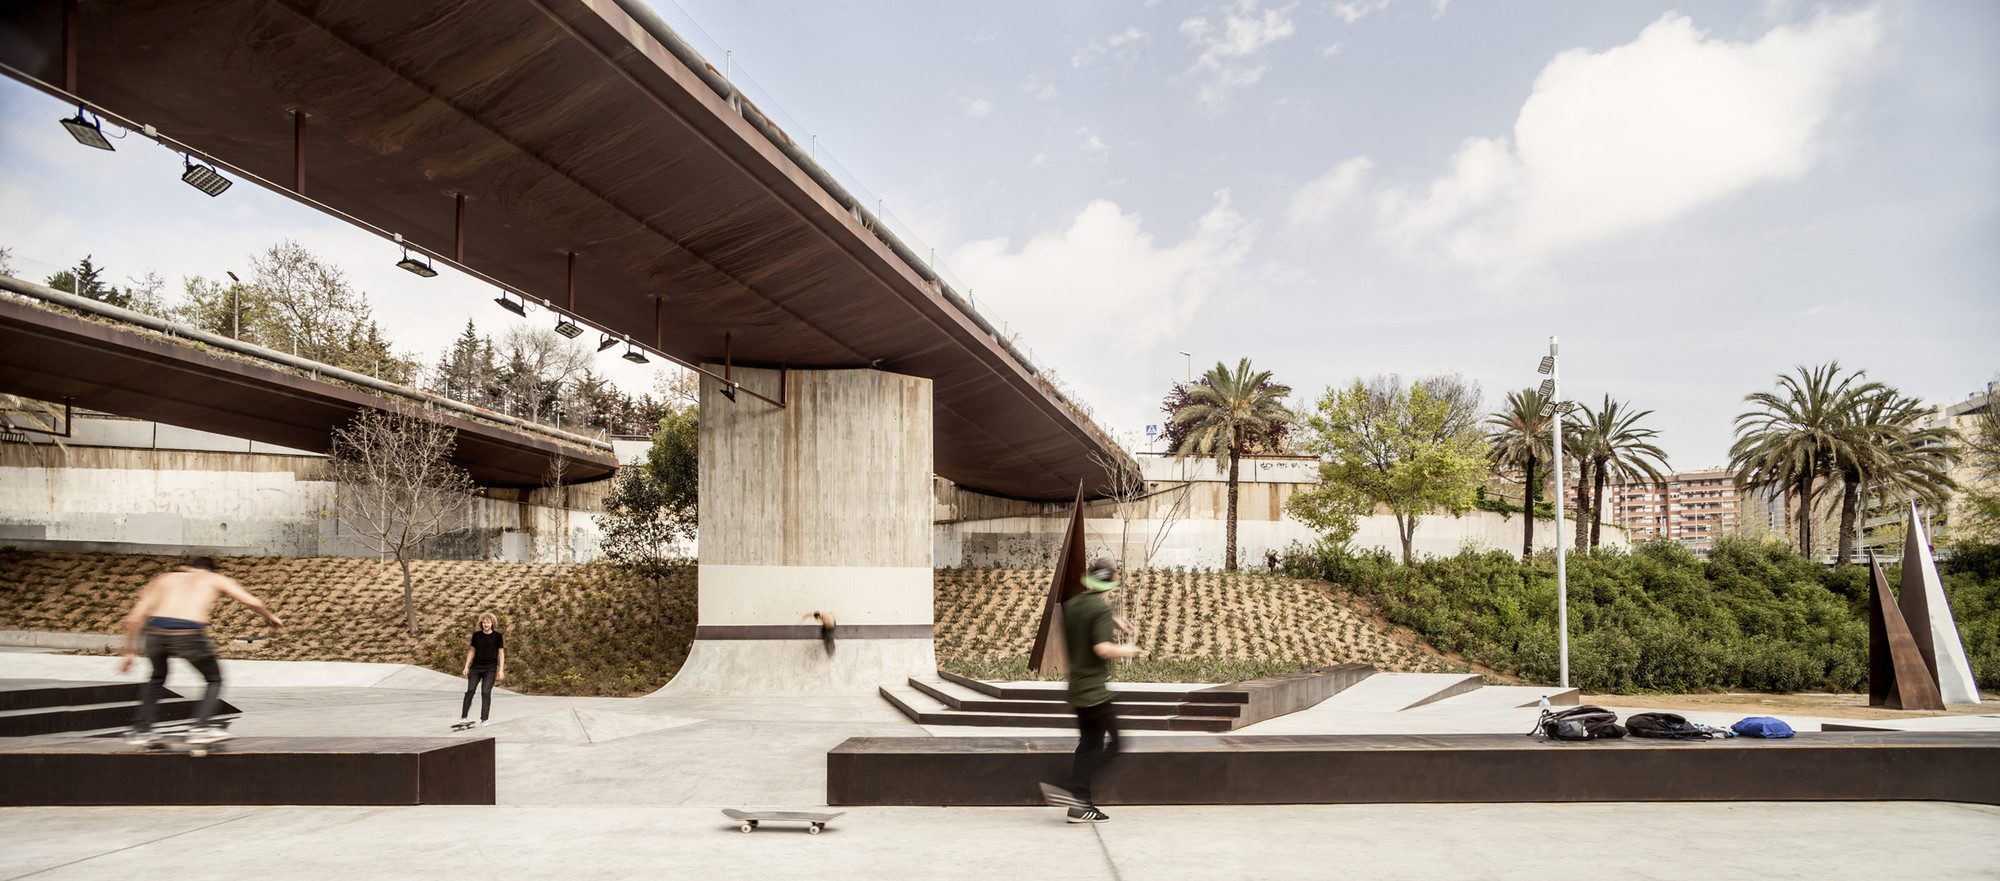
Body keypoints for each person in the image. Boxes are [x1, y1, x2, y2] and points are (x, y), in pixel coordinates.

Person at [117, 556, 283, 746]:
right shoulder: (215, 578)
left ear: (186, 568)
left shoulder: (165, 578)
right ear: (212, 570)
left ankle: (141, 731)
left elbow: (134, 618)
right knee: (214, 679)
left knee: (157, 677)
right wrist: (269, 616)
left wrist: (128, 652)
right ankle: (200, 728)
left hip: (155, 632)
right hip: (187, 633)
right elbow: (252, 601)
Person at [1039, 559, 1142, 824]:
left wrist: (1112, 619)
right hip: (1095, 692)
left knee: (1089, 744)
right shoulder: (1100, 609)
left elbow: (1087, 622)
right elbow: (1102, 648)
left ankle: (1080, 807)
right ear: (1111, 583)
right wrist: (1127, 650)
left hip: (1076, 688)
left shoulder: (1074, 605)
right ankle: (1071, 789)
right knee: (1117, 744)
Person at [458, 613, 505, 727]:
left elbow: (501, 653)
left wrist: (501, 670)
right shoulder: (476, 635)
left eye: (488, 622)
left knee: (486, 692)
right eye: (484, 622)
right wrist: (466, 666)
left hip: (490, 669)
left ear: (492, 623)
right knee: (470, 690)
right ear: (481, 623)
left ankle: (484, 719)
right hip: (476, 668)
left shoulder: (498, 636)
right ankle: (464, 716)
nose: (486, 624)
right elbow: (472, 651)